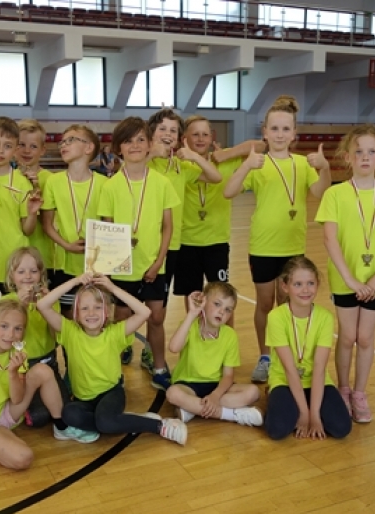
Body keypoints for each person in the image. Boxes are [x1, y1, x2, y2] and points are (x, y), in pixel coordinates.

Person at [223, 95, 331, 384]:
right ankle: (265, 356)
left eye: (286, 129)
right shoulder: (257, 163)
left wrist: (324, 167)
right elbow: (228, 192)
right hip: (262, 246)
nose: (280, 134)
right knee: (264, 303)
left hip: (293, 247)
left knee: (288, 304)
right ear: (265, 132)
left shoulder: (303, 164)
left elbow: (320, 192)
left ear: (294, 133)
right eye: (274, 128)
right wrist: (246, 166)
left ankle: (287, 357)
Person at [315, 125, 375, 423]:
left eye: (371, 151)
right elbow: (329, 239)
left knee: (366, 338)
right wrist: (351, 280)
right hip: (345, 278)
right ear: (348, 157)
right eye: (358, 151)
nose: (365, 157)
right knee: (347, 337)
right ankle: (343, 390)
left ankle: (360, 393)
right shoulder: (335, 194)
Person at [37, 272, 187, 444]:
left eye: (98, 307)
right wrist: (75, 281)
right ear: (76, 313)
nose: (91, 313)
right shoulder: (69, 331)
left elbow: (144, 312)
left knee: (105, 422)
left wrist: (112, 288)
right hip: (83, 399)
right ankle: (122, 421)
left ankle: (159, 426)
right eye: (84, 308)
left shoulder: (114, 334)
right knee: (69, 414)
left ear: (107, 312)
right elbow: (42, 305)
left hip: (111, 393)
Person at [0, 300, 87, 477]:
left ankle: (61, 426)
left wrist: (13, 373)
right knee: (24, 458)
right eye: (4, 326)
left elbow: (17, 399)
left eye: (18, 328)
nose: (10, 334)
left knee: (43, 371)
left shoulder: (17, 353)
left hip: (10, 409)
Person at [97, 117, 180, 390]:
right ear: (118, 147)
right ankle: (114, 368)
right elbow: (108, 228)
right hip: (122, 267)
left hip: (153, 266)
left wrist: (158, 262)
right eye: (128, 140)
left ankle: (159, 366)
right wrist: (114, 263)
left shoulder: (162, 183)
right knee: (121, 318)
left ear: (149, 145)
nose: (135, 145)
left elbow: (168, 227)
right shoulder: (109, 186)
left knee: (156, 318)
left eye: (140, 139)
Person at [136, 109, 221, 371]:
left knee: (157, 311)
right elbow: (127, 170)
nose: (167, 134)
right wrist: (151, 153)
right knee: (127, 308)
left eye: (173, 130)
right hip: (139, 246)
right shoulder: (144, 161)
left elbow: (215, 177)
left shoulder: (181, 167)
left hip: (170, 247)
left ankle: (151, 355)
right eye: (162, 129)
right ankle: (123, 346)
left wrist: (194, 156)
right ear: (151, 134)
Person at [173, 116, 262, 316]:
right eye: (195, 134)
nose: (200, 139)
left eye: (205, 134)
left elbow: (261, 145)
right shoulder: (178, 164)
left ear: (212, 137)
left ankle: (225, 334)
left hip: (217, 242)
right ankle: (195, 333)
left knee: (222, 298)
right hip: (186, 242)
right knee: (193, 299)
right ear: (185, 137)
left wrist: (228, 153)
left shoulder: (225, 159)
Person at [264, 257, 352, 441]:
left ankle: (303, 405)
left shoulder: (325, 318)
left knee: (342, 428)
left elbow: (319, 368)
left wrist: (315, 415)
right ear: (285, 286)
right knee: (277, 430)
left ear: (317, 284)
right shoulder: (276, 317)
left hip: (316, 381)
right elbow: (289, 369)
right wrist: (305, 413)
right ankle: (278, 397)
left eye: (310, 283)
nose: (305, 290)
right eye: (298, 284)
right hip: (285, 380)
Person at [0, 117, 42, 334]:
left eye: (7, 146)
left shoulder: (22, 182)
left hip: (15, 265)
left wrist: (32, 213)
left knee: (15, 318)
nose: (0, 150)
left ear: (15, 149)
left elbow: (27, 229)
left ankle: (11, 351)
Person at [166, 282, 263, 427]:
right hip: (188, 384)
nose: (222, 312)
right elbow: (173, 348)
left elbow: (228, 376)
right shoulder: (190, 325)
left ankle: (192, 409)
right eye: (217, 304)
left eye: (228, 309)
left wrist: (215, 396)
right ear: (203, 302)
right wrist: (192, 314)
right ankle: (231, 414)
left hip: (217, 385)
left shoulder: (230, 335)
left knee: (253, 392)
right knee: (172, 393)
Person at [0, 247, 75, 430]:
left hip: (49, 362)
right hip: (23, 369)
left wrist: (46, 308)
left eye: (33, 271)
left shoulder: (49, 301)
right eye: (21, 271)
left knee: (66, 410)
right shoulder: (6, 302)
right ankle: (21, 406)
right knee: (40, 417)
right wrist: (22, 306)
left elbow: (56, 336)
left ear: (41, 274)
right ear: (12, 276)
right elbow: (7, 338)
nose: (28, 276)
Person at [41, 125, 107, 317]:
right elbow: (46, 224)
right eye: (62, 142)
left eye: (70, 140)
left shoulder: (104, 183)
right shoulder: (53, 182)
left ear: (89, 147)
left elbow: (109, 225)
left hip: (96, 265)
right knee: (68, 316)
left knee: (95, 315)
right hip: (64, 264)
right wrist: (66, 245)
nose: (63, 145)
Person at [16, 119, 55, 269]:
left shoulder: (51, 180)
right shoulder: (8, 179)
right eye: (21, 145)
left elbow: (51, 221)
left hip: (42, 255)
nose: (27, 151)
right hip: (14, 254)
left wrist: (36, 188)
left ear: (42, 150)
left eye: (33, 146)